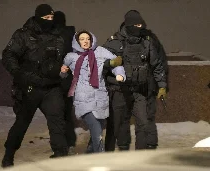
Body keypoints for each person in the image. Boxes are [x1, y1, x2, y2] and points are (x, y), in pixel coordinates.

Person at [1, 4, 68, 168]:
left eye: (51, 18)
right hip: (29, 87)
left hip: (51, 87)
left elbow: (58, 60)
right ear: (38, 18)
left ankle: (60, 157)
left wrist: (61, 70)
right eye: (46, 18)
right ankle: (8, 156)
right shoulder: (23, 35)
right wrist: (20, 75)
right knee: (22, 122)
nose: (49, 21)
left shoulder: (57, 37)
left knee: (57, 121)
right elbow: (8, 55)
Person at [103, 10, 167, 150]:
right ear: (129, 25)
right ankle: (124, 149)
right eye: (136, 25)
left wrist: (162, 85)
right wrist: (111, 64)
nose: (139, 28)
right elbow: (99, 63)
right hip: (120, 90)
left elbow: (156, 65)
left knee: (143, 123)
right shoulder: (115, 42)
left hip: (140, 90)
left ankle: (141, 154)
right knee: (121, 123)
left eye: (140, 24)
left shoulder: (146, 42)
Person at [60, 30, 125, 153]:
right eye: (82, 39)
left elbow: (116, 62)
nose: (85, 41)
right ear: (77, 41)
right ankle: (100, 158)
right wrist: (63, 72)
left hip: (100, 97)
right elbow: (63, 75)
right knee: (96, 130)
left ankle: (89, 156)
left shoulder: (100, 52)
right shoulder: (71, 57)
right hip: (82, 97)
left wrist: (119, 74)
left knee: (98, 129)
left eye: (87, 39)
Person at [53, 10, 77, 155]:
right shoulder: (71, 36)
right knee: (66, 112)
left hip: (56, 80)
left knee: (57, 114)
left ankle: (62, 147)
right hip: (68, 80)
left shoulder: (54, 37)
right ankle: (70, 142)